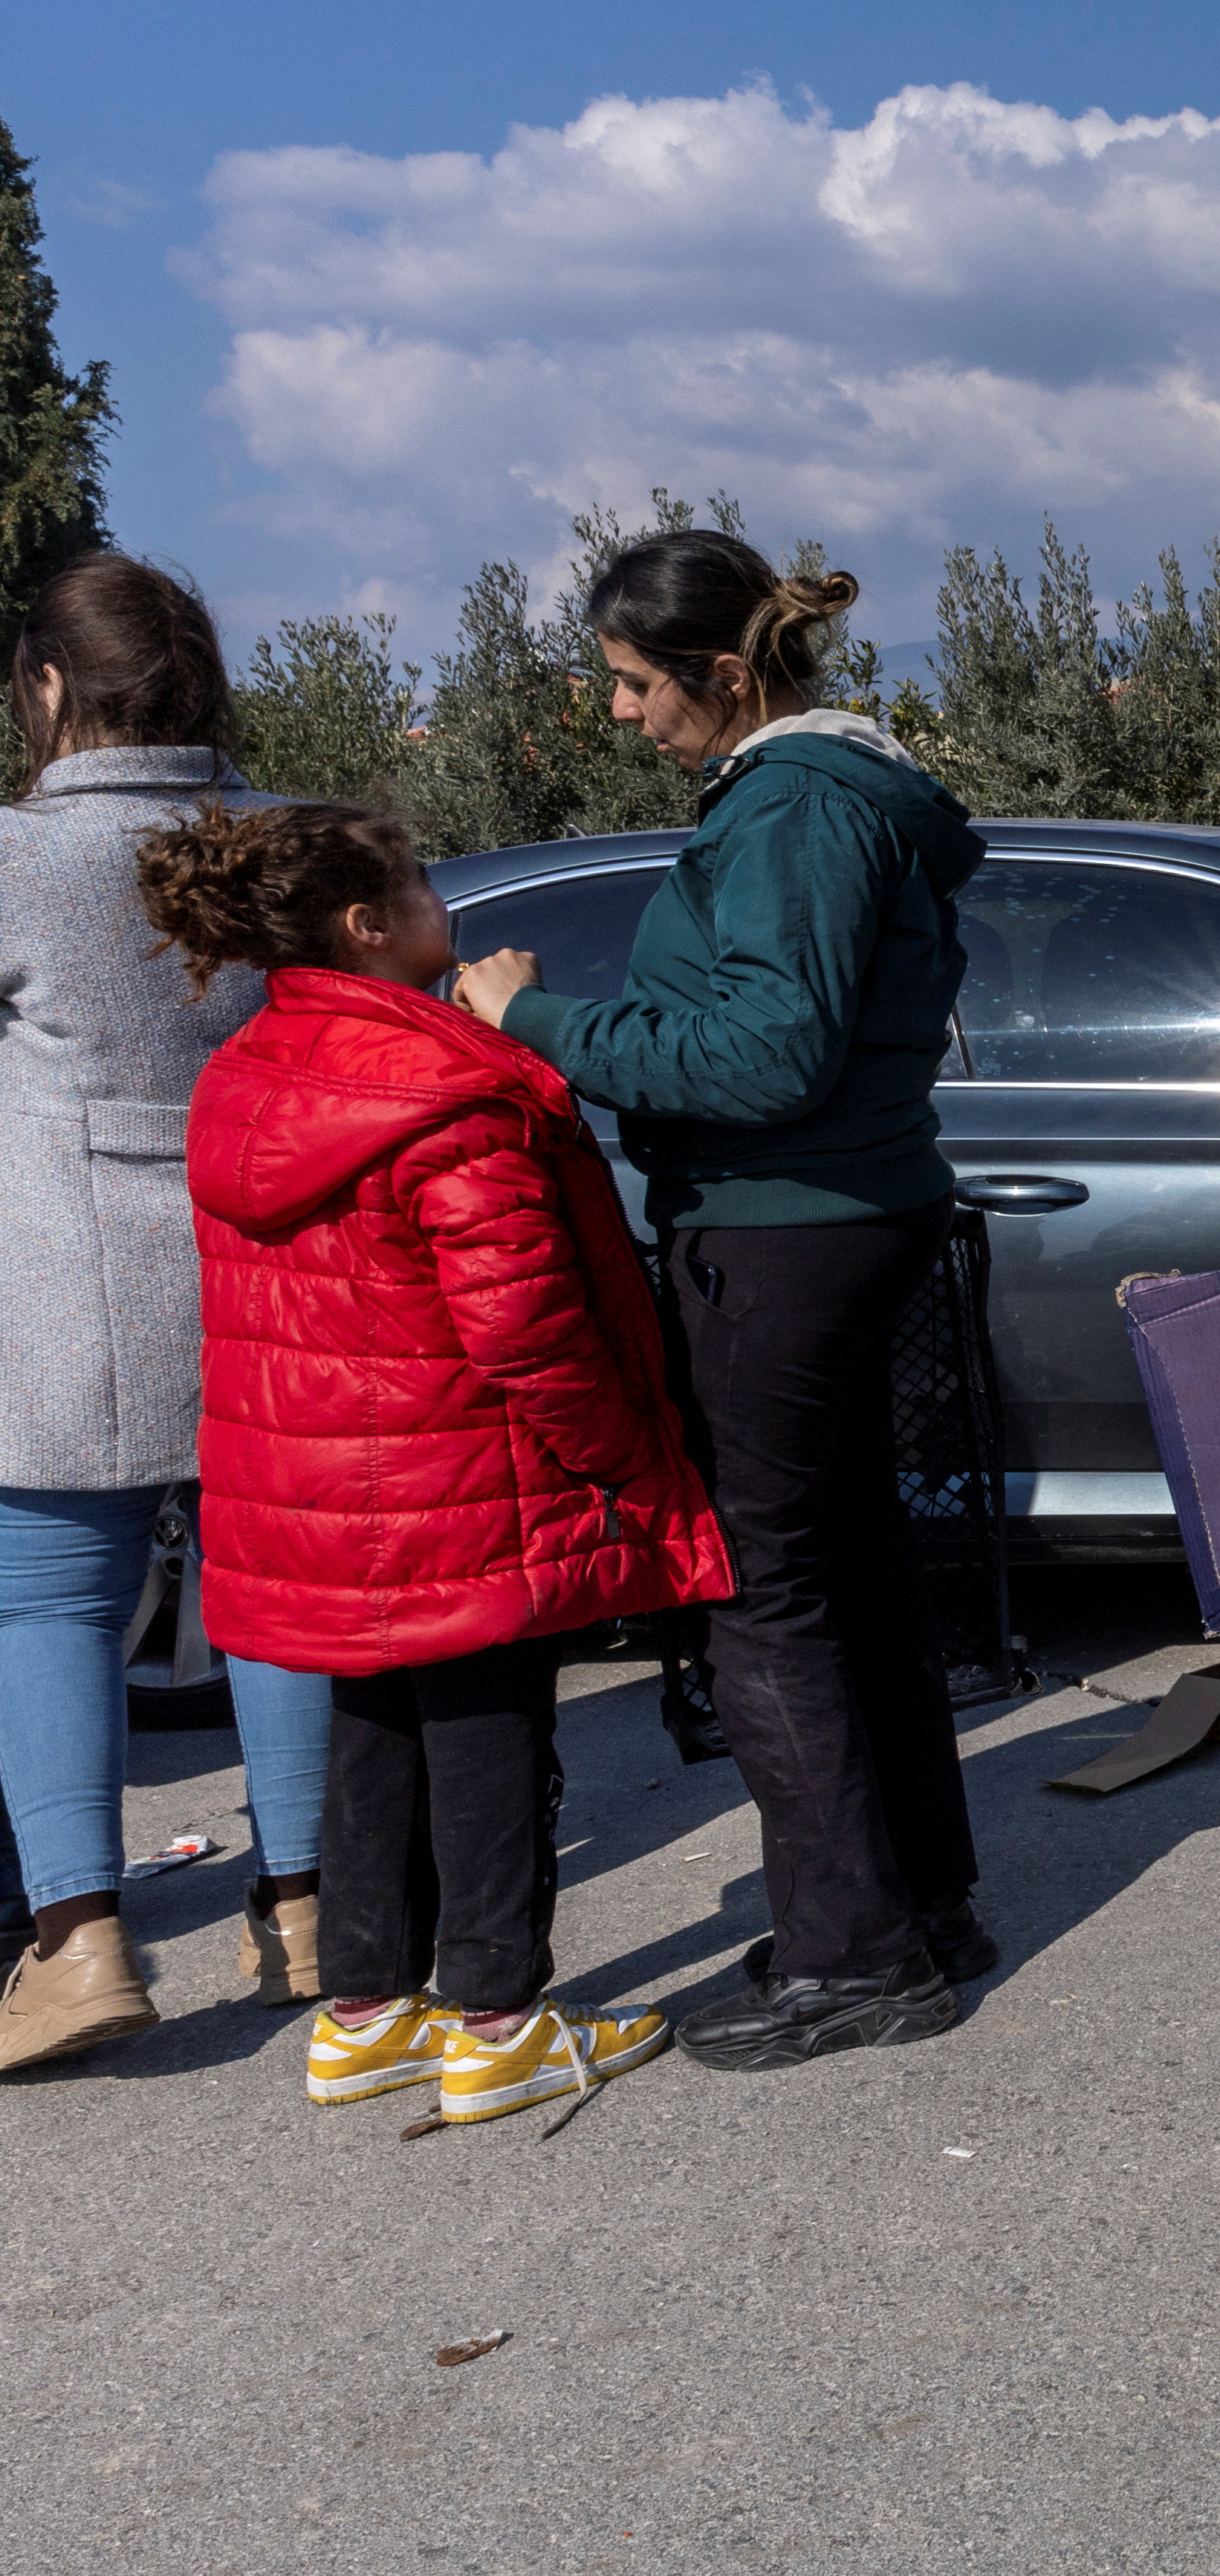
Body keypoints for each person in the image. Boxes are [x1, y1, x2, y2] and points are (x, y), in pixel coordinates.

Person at [454, 532, 991, 2072]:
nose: (621, 714)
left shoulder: (796, 806)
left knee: (764, 1592)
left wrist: (539, 1018)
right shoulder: (817, 795)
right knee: (851, 1570)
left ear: (724, 676)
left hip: (782, 1234)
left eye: (633, 684)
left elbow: (764, 1057)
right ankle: (908, 1906)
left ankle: (855, 1953)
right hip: (832, 1217)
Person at [145, 802, 729, 2118]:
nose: (439, 902)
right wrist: (623, 1459)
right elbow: (525, 1320)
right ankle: (498, 2017)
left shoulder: (242, 1076)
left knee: (375, 1731)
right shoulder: (448, 1086)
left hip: (325, 1488)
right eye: (416, 885)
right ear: (366, 925)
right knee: (489, 1741)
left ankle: (363, 2010)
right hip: (468, 1475)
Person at [0, 553, 333, 2075]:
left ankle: (82, 1945)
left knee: (51, 1609)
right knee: (272, 1601)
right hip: (272, 1264)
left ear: (51, 690)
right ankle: (311, 1911)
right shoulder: (283, 845)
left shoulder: (16, 861)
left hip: (66, 1290)